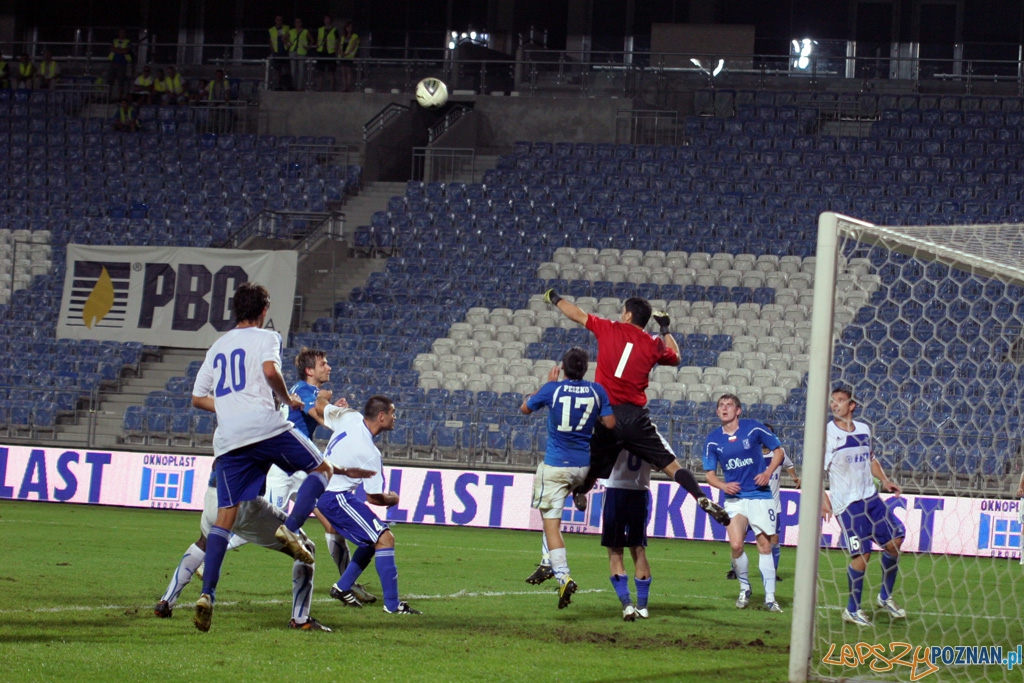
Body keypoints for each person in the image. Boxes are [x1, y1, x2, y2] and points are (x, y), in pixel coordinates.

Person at [189, 282, 336, 632]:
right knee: (322, 468)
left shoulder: (218, 346)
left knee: (224, 519)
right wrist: (287, 400)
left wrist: (227, 407)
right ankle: (292, 527)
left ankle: (207, 593)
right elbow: (271, 372)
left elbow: (197, 398)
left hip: (229, 439)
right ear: (264, 309)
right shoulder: (266, 337)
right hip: (265, 428)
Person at [542, 290, 730, 527]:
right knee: (671, 465)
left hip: (606, 416)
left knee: (594, 462)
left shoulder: (608, 327)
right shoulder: (653, 344)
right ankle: (700, 497)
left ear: (628, 315)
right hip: (635, 417)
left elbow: (577, 314)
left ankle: (580, 492)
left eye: (623, 311)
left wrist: (555, 298)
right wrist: (665, 329)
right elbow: (677, 357)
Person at [154, 462, 330, 631]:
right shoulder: (268, 434)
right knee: (305, 546)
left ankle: (166, 602)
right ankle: (300, 619)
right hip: (244, 503)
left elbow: (216, 463)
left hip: (214, 495)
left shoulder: (228, 433)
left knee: (203, 542)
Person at [269, 346, 377, 604]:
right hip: (286, 467)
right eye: (323, 364)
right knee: (265, 526)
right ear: (309, 370)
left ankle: (347, 584)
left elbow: (319, 414)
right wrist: (338, 415)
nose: (328, 367)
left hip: (301, 467)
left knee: (331, 523)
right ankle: (208, 553)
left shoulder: (303, 390)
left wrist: (332, 408)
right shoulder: (306, 390)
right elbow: (317, 414)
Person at [520, 348, 615, 609]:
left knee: (551, 522)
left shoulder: (554, 389)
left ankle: (561, 575)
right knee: (552, 511)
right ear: (586, 369)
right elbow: (609, 423)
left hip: (556, 466)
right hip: (582, 467)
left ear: (562, 367)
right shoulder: (597, 390)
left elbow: (525, 409)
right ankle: (546, 561)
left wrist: (549, 386)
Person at [314, 394, 422, 614]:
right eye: (392, 413)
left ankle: (342, 587)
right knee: (385, 538)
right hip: (336, 497)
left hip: (325, 491)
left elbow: (320, 407)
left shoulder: (350, 416)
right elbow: (373, 497)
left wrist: (325, 399)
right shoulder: (369, 452)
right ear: (381, 416)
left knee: (370, 542)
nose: (395, 417)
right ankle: (392, 605)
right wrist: (393, 499)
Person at [822, 386, 906, 627]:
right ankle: (852, 609)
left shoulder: (864, 429)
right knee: (862, 553)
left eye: (840, 401)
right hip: (847, 503)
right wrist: (823, 500)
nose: (834, 405)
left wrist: (885, 479)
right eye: (832, 401)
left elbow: (870, 459)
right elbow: (816, 467)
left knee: (895, 541)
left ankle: (885, 596)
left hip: (870, 497)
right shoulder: (826, 433)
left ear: (851, 405)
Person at [703, 394, 785, 612]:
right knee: (736, 545)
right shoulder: (712, 440)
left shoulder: (753, 428)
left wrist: (768, 472)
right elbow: (709, 475)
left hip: (760, 496)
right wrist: (723, 486)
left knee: (765, 545)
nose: (724, 408)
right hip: (735, 499)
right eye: (720, 405)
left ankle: (770, 598)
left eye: (729, 405)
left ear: (738, 410)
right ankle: (745, 587)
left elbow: (779, 451)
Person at [726, 422, 800, 581]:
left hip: (772, 506)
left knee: (774, 539)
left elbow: (790, 465)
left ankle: (772, 572)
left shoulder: (779, 455)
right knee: (740, 536)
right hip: (749, 502)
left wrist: (795, 477)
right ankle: (735, 569)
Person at [600, 449, 653, 621]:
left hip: (615, 490)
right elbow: (662, 463)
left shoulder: (614, 431)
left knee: (615, 550)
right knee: (638, 548)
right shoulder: (650, 432)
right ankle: (643, 607)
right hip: (640, 492)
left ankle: (627, 605)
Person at [106, 29, 133, 99]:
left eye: (123, 32)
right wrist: (120, 50)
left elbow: (126, 50)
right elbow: (111, 48)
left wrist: (117, 50)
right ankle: (108, 97)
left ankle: (119, 97)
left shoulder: (128, 42)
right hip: (113, 62)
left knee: (121, 81)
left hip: (122, 63)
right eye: (121, 32)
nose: (122, 34)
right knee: (110, 81)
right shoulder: (114, 41)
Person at [315, 15, 339, 91]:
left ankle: (332, 87)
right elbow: (318, 38)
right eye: (326, 19)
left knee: (331, 71)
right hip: (321, 51)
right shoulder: (320, 29)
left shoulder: (334, 30)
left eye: (328, 19)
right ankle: (319, 87)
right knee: (320, 71)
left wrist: (336, 49)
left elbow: (338, 40)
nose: (327, 21)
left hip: (330, 52)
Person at [268, 15, 291, 90]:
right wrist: (273, 51)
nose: (279, 21)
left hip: (285, 50)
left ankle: (287, 83)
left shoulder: (286, 28)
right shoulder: (272, 30)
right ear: (275, 20)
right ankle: (279, 84)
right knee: (278, 69)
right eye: (278, 20)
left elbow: (290, 37)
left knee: (287, 68)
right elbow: (270, 41)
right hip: (276, 51)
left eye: (280, 20)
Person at [288, 18, 312, 91]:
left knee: (301, 70)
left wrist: (308, 47)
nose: (297, 23)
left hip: (302, 52)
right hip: (293, 51)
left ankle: (300, 87)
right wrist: (288, 44)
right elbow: (284, 38)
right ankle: (293, 86)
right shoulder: (291, 31)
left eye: (299, 22)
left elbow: (311, 40)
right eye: (296, 22)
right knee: (293, 70)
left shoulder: (305, 31)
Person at [338, 20, 359, 92]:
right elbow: (340, 45)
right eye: (347, 27)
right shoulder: (343, 36)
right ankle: (345, 86)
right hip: (342, 57)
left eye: (350, 27)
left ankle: (348, 87)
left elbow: (353, 46)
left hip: (349, 56)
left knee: (348, 71)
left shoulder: (355, 36)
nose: (349, 28)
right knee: (343, 72)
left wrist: (346, 54)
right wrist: (341, 53)